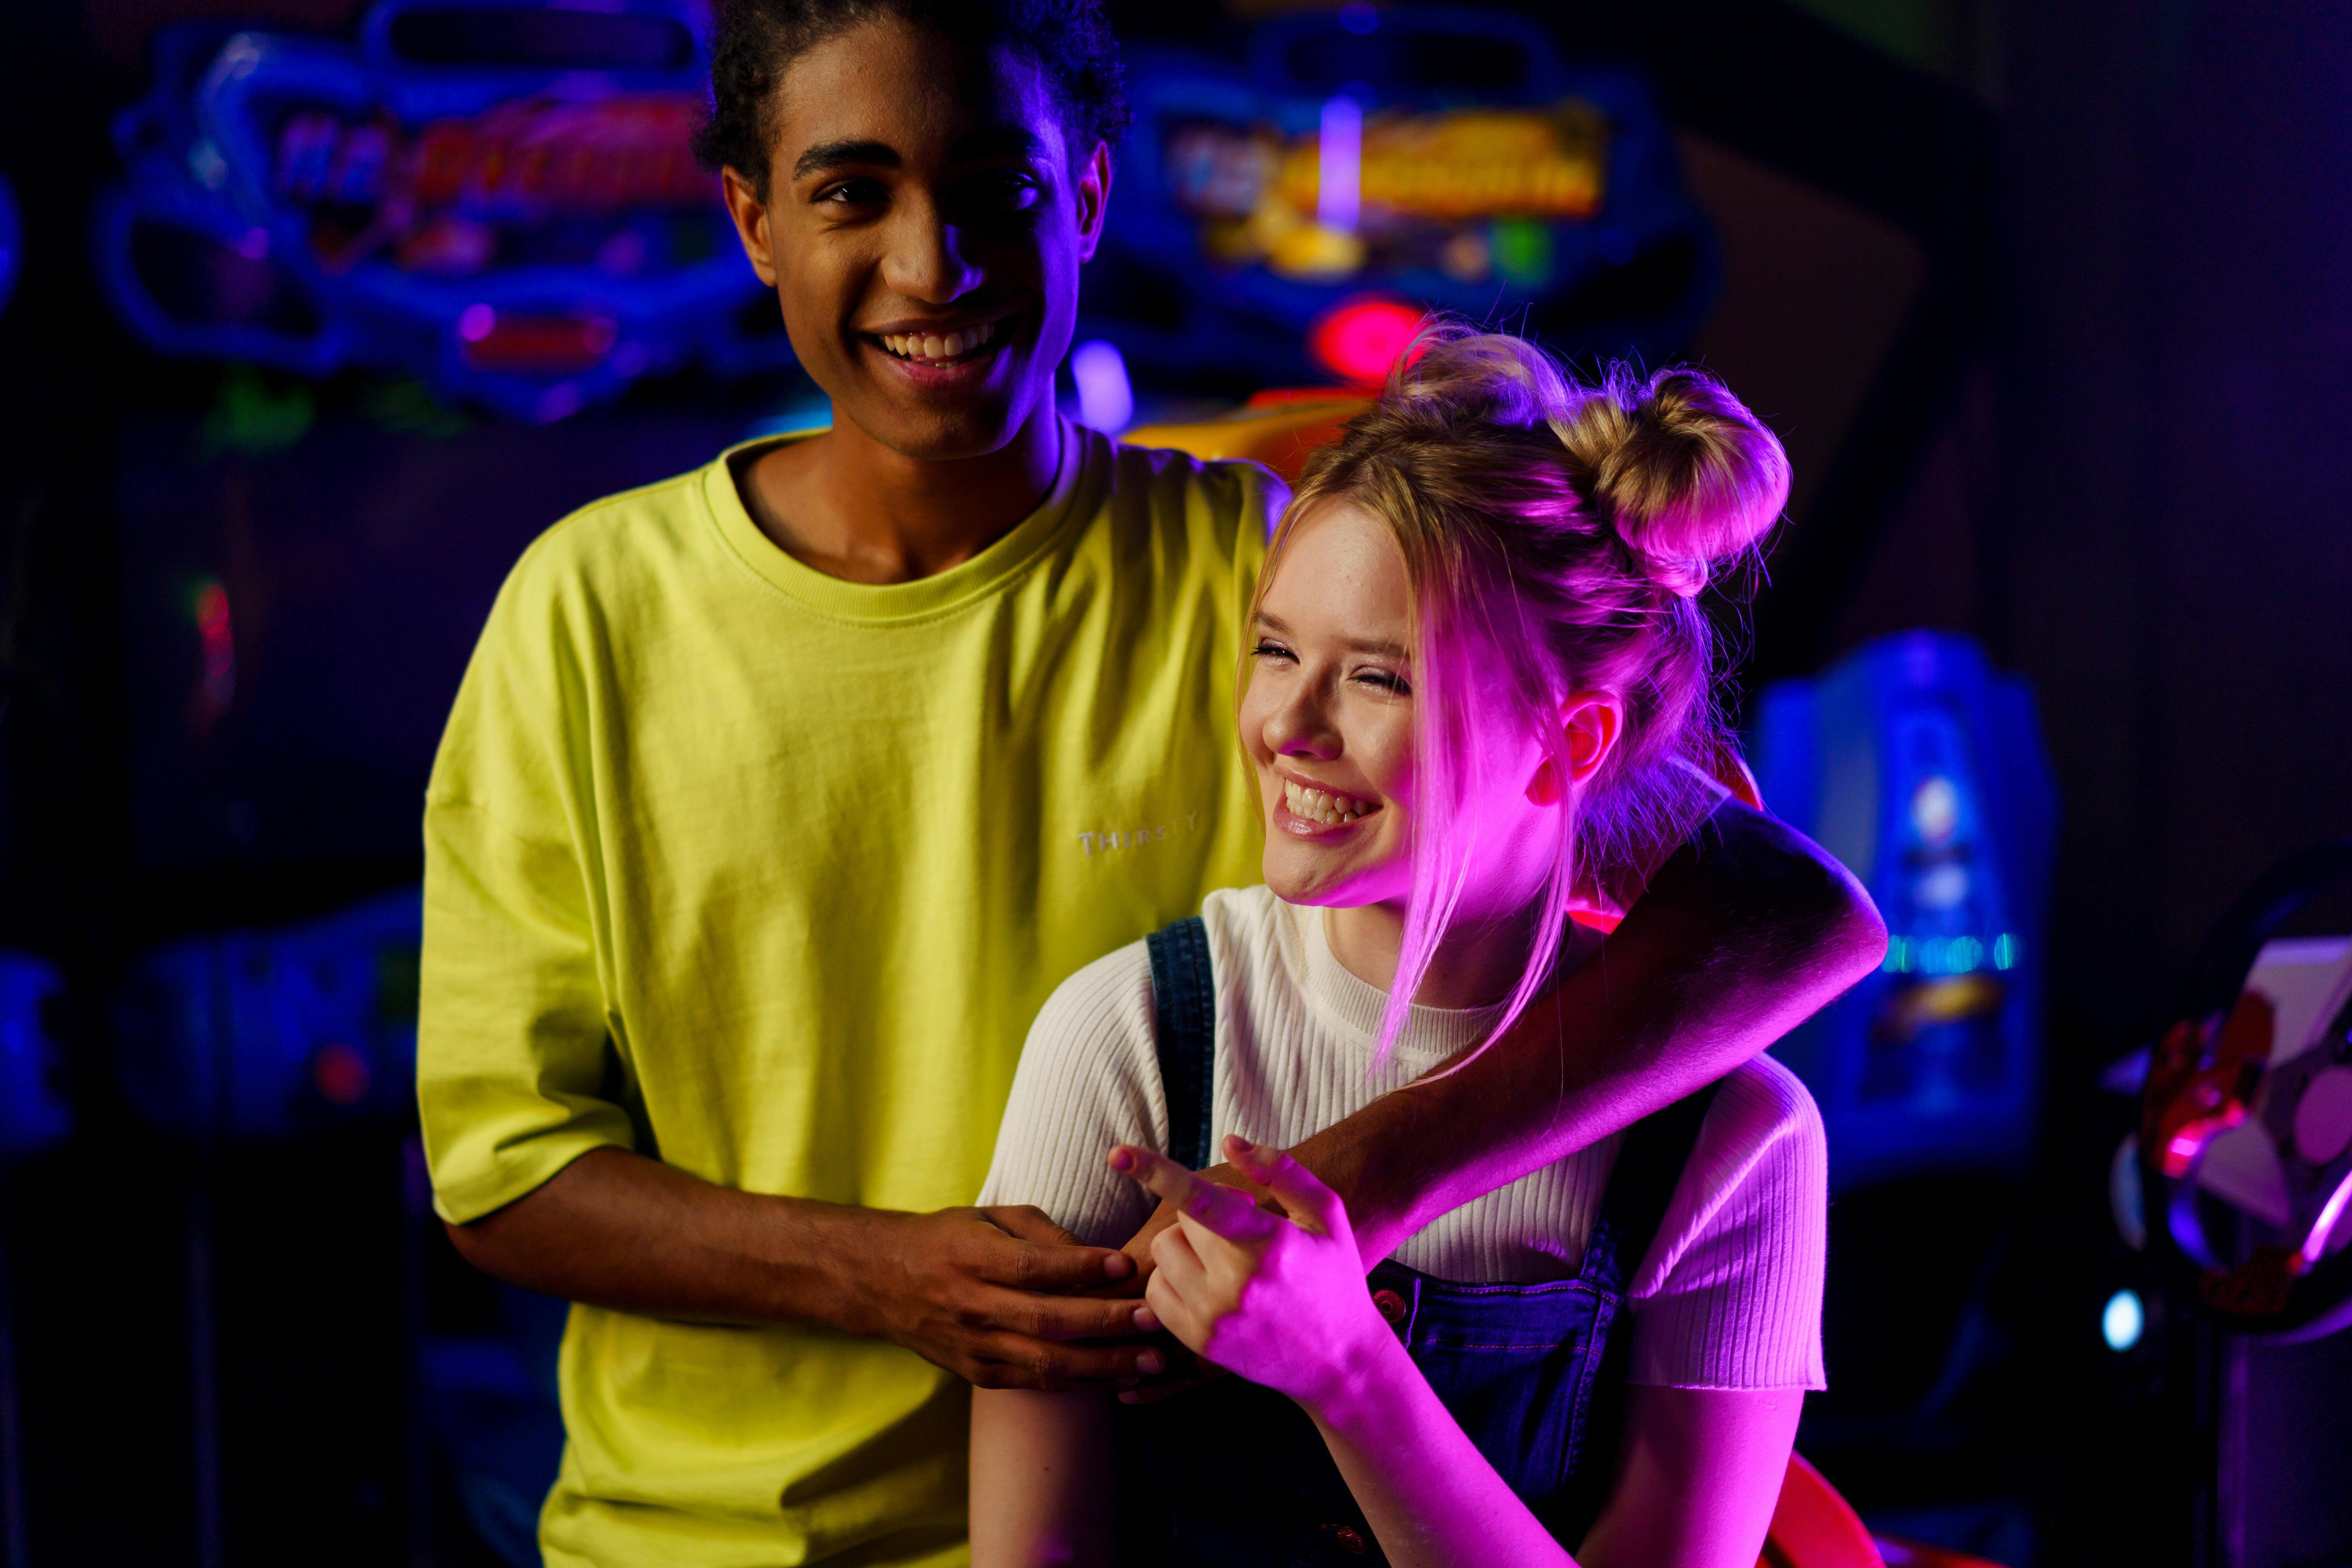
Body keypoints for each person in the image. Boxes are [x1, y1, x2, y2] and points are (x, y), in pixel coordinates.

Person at [415, 3, 1884, 1565]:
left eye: (1002, 191)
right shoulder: (587, 615)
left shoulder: (1261, 572)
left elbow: (1783, 910)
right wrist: (893, 1274)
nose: (933, 265)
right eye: (854, 192)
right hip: (690, 1541)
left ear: (1093, 199)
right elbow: (506, 1179)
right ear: (752, 216)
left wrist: (1367, 1182)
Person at [971, 330, 1827, 1568]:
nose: (1287, 728)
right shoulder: (1132, 1038)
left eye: (1381, 679)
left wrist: (1351, 1374)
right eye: (1275, 650)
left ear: (1573, 741)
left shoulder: (1738, 1142)